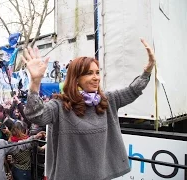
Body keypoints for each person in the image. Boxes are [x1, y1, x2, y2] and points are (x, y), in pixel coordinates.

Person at [21, 38, 156, 180]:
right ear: (76, 78)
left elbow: (132, 90)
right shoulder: (60, 105)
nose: (96, 77)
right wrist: (35, 82)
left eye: (97, 72)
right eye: (89, 73)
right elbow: (36, 115)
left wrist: (147, 71)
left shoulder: (107, 101)